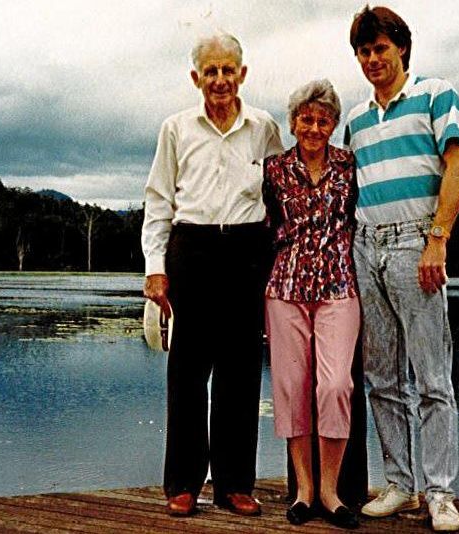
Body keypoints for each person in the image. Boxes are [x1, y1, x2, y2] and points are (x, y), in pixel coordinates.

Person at [141, 32, 283, 517]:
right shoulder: (176, 129)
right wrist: (155, 269)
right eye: (211, 71)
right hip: (193, 249)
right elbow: (158, 202)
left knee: (241, 372)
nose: (220, 80)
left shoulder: (263, 127)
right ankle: (183, 483)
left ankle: (235, 485)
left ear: (242, 74)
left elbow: (278, 199)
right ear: (196, 77)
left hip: (246, 251)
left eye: (228, 70)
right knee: (186, 371)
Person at [344, 6, 459, 532]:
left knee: (433, 378)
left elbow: (458, 167)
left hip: (414, 243)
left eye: (381, 48)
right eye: (364, 51)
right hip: (364, 246)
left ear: (401, 49)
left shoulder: (436, 94)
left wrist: (436, 240)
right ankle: (399, 482)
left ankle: (440, 492)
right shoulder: (354, 120)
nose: (373, 59)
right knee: (381, 375)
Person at [263, 79, 360, 530]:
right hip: (284, 289)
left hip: (339, 286)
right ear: (293, 122)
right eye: (306, 119)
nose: (314, 127)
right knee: (290, 387)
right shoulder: (275, 169)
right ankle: (303, 490)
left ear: (334, 124)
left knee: (335, 385)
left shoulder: (349, 165)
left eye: (323, 120)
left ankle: (330, 490)